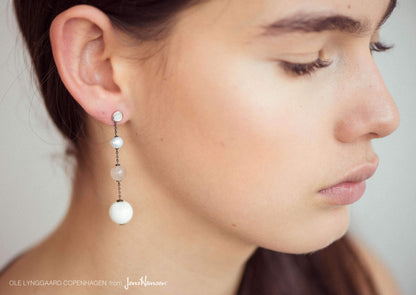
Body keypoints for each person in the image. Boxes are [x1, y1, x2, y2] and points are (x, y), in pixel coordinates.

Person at [0, 0, 403, 294]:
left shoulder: (350, 279)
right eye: (307, 59)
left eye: (373, 45)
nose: (385, 115)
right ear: (100, 67)